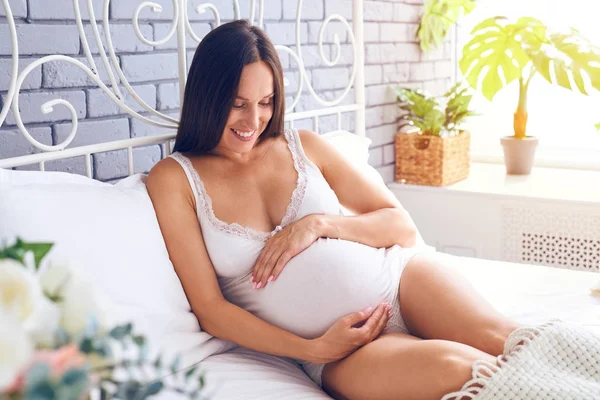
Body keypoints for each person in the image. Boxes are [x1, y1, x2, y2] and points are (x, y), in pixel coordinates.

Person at [146, 20, 521, 400]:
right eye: (237, 104)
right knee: (464, 369)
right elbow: (211, 310)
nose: (254, 121)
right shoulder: (175, 179)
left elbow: (400, 226)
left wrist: (318, 224)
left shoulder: (304, 146)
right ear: (207, 98)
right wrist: (313, 349)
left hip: (400, 282)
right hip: (337, 351)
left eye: (266, 102)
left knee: (510, 343)